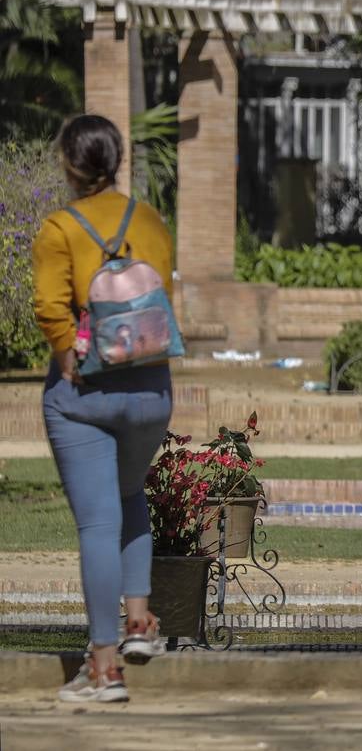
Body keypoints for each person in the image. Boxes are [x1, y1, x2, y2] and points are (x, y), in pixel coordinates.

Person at [32, 115, 175, 703]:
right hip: (150, 391)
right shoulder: (148, 219)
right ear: (116, 159)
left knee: (97, 521)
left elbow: (49, 308)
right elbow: (163, 285)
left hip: (85, 396)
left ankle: (103, 668)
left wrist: (68, 359)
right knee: (129, 494)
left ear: (68, 163)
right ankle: (140, 626)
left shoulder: (58, 227)